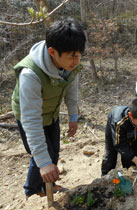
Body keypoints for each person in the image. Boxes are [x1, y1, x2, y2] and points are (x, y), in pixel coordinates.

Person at [11, 19, 86, 198]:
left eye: (79, 55)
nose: (76, 61)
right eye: (71, 56)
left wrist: (73, 117)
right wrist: (44, 162)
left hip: (51, 113)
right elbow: (31, 119)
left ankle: (47, 187)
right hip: (30, 115)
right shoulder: (30, 74)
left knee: (54, 151)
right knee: (42, 157)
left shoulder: (70, 66)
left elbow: (71, 90)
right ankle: (32, 191)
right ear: (52, 52)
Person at [101, 96, 137, 176]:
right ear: (130, 115)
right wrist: (136, 159)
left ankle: (129, 171)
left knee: (134, 150)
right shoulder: (118, 121)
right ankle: (105, 176)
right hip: (115, 129)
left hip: (134, 127)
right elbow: (119, 144)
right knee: (110, 155)